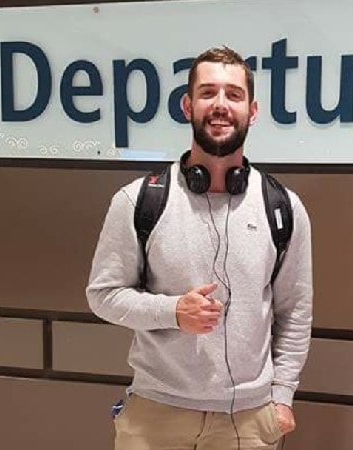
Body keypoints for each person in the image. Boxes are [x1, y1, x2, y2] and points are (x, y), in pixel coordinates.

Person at [86, 46, 313, 450]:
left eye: (234, 94)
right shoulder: (138, 201)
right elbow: (102, 295)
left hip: (249, 422)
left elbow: (294, 309)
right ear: (188, 105)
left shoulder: (284, 208)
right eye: (208, 93)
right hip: (157, 416)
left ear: (253, 111)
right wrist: (172, 311)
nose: (220, 105)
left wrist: (281, 397)